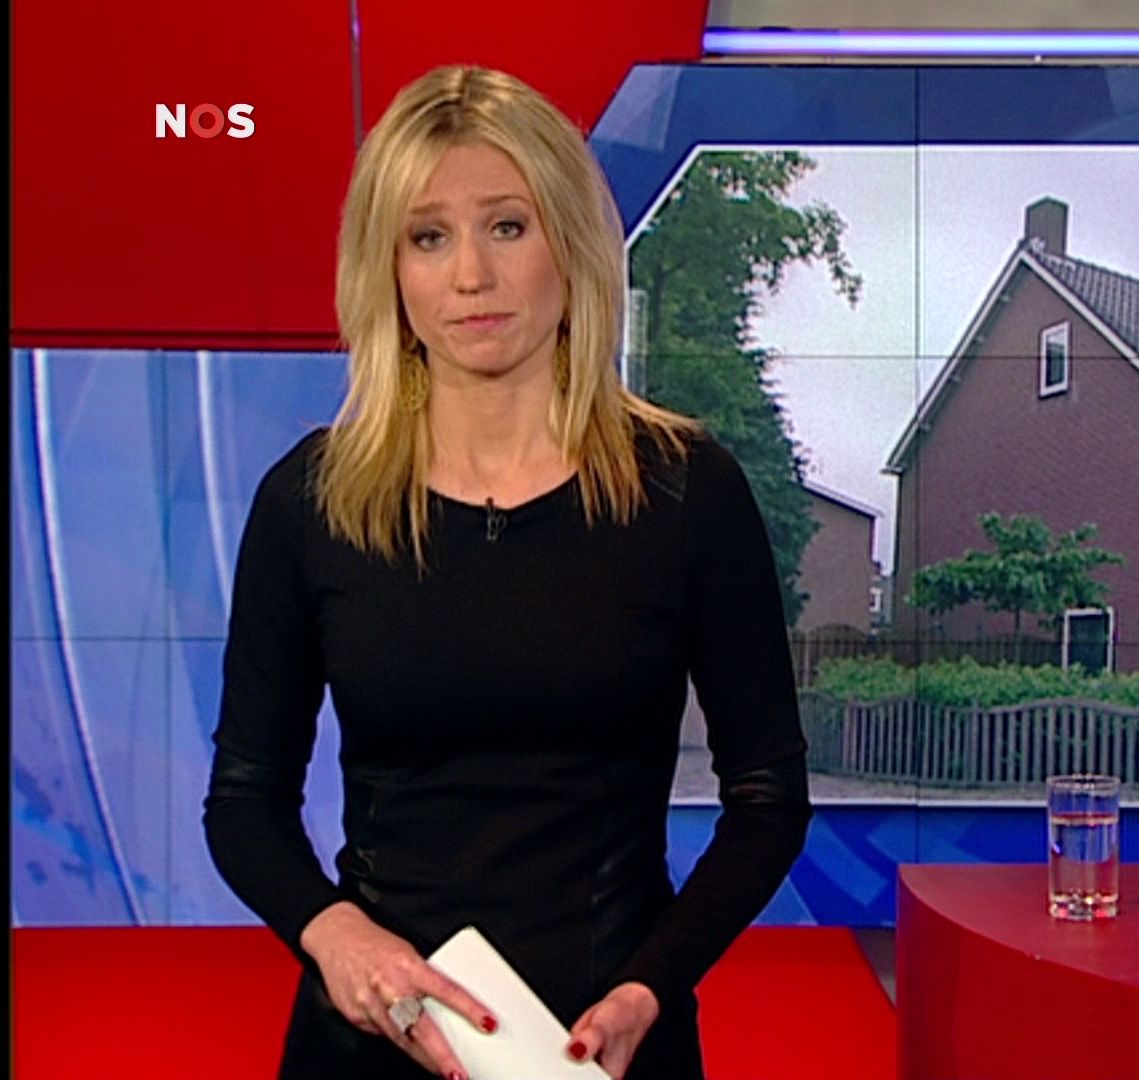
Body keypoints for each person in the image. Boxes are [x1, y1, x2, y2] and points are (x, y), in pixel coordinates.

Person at [203, 65, 812, 1080]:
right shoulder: (311, 500)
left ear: (570, 243)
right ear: (388, 268)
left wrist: (651, 986)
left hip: (607, 1045)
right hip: (374, 1040)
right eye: (428, 237)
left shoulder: (685, 491)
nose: (471, 277)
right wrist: (334, 935)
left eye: (507, 226)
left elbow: (767, 798)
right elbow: (244, 799)